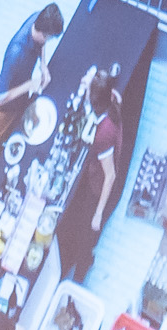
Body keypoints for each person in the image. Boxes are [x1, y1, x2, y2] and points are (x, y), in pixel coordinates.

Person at [0, 2, 64, 204]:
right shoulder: (16, 52)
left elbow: (42, 45)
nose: (48, 41)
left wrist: (43, 66)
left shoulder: (37, 18)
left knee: (4, 146)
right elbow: (0, 97)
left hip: (20, 100)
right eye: (49, 38)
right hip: (3, 111)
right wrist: (30, 84)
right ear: (43, 33)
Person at [54, 72, 126, 283]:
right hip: (97, 172)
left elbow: (110, 176)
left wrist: (98, 213)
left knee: (87, 233)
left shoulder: (103, 134)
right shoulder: (113, 100)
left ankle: (81, 269)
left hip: (99, 185)